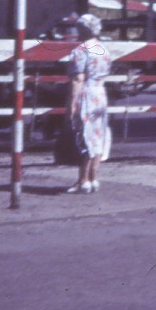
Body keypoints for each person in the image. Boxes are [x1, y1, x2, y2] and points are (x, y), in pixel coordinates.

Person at [65, 13, 112, 193]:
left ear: (83, 29)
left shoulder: (80, 51)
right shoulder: (104, 49)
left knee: (84, 137)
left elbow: (77, 79)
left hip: (86, 94)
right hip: (101, 94)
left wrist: (72, 104)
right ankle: (94, 179)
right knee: (98, 136)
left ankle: (82, 181)